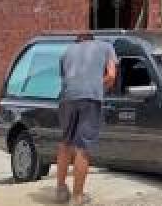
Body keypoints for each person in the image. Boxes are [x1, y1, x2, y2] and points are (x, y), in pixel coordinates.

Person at [55, 33, 117, 205]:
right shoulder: (106, 46)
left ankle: (60, 190)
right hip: (90, 98)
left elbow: (65, 79)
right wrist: (98, 86)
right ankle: (77, 196)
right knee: (83, 147)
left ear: (78, 41)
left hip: (67, 98)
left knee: (66, 142)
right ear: (92, 39)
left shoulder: (66, 51)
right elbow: (111, 76)